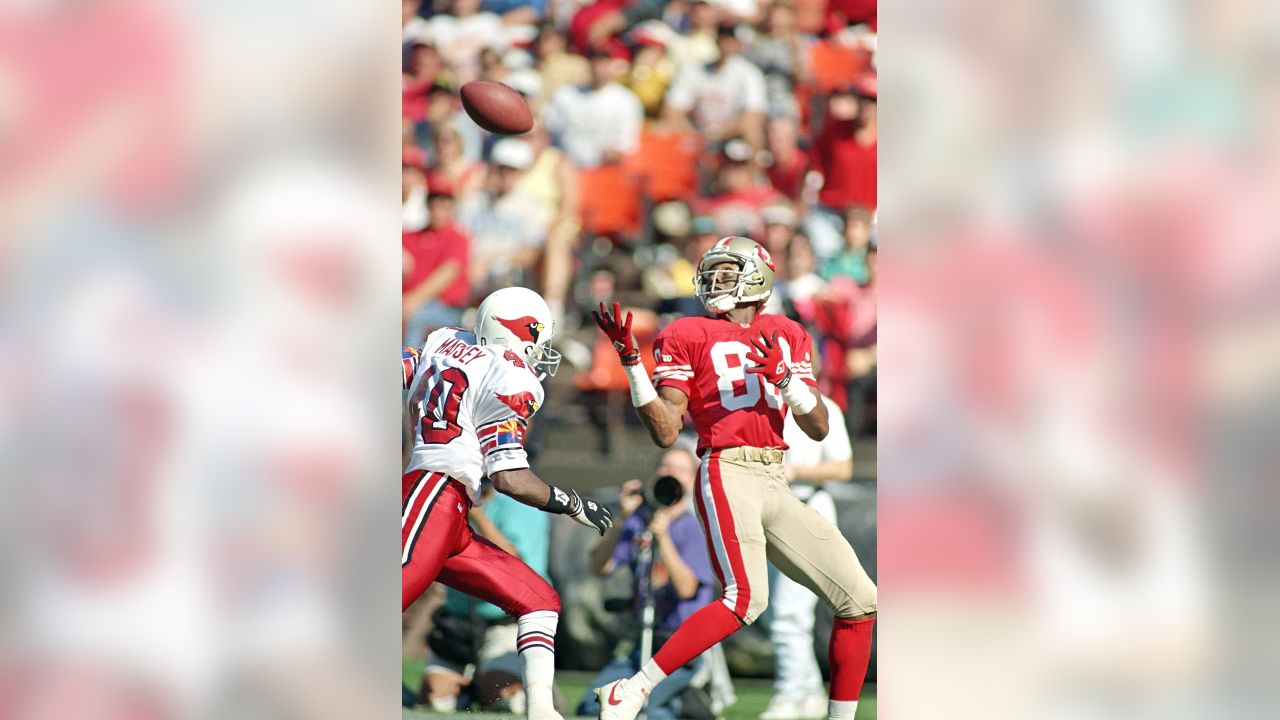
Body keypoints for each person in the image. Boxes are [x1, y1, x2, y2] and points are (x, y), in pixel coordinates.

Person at [590, 236, 876, 720]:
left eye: (728, 271)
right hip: (727, 467)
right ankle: (632, 690)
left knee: (860, 601)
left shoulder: (787, 331)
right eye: (713, 272)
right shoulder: (687, 332)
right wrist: (633, 364)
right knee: (746, 598)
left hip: (775, 475)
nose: (715, 281)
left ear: (758, 276)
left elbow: (820, 425)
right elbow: (665, 431)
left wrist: (787, 383)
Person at [403, 286, 615, 720]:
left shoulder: (446, 341)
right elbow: (511, 479)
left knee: (539, 600)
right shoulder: (512, 376)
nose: (540, 353)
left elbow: (402, 366)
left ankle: (541, 711)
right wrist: (572, 503)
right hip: (435, 492)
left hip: (451, 510)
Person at [576, 447, 718, 720]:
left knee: (647, 711)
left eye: (680, 470)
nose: (670, 474)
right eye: (665, 467)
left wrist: (662, 537)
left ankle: (686, 698)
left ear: (692, 481)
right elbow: (598, 568)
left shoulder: (694, 527)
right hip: (641, 641)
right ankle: (684, 701)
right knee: (592, 705)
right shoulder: (637, 521)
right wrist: (621, 518)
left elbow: (687, 589)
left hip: (679, 644)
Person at [762, 392, 855, 720]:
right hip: (772, 510)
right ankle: (810, 691)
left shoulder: (824, 406)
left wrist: (798, 471)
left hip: (808, 504)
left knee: (790, 612)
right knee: (776, 613)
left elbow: (844, 467)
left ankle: (789, 693)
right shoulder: (763, 402)